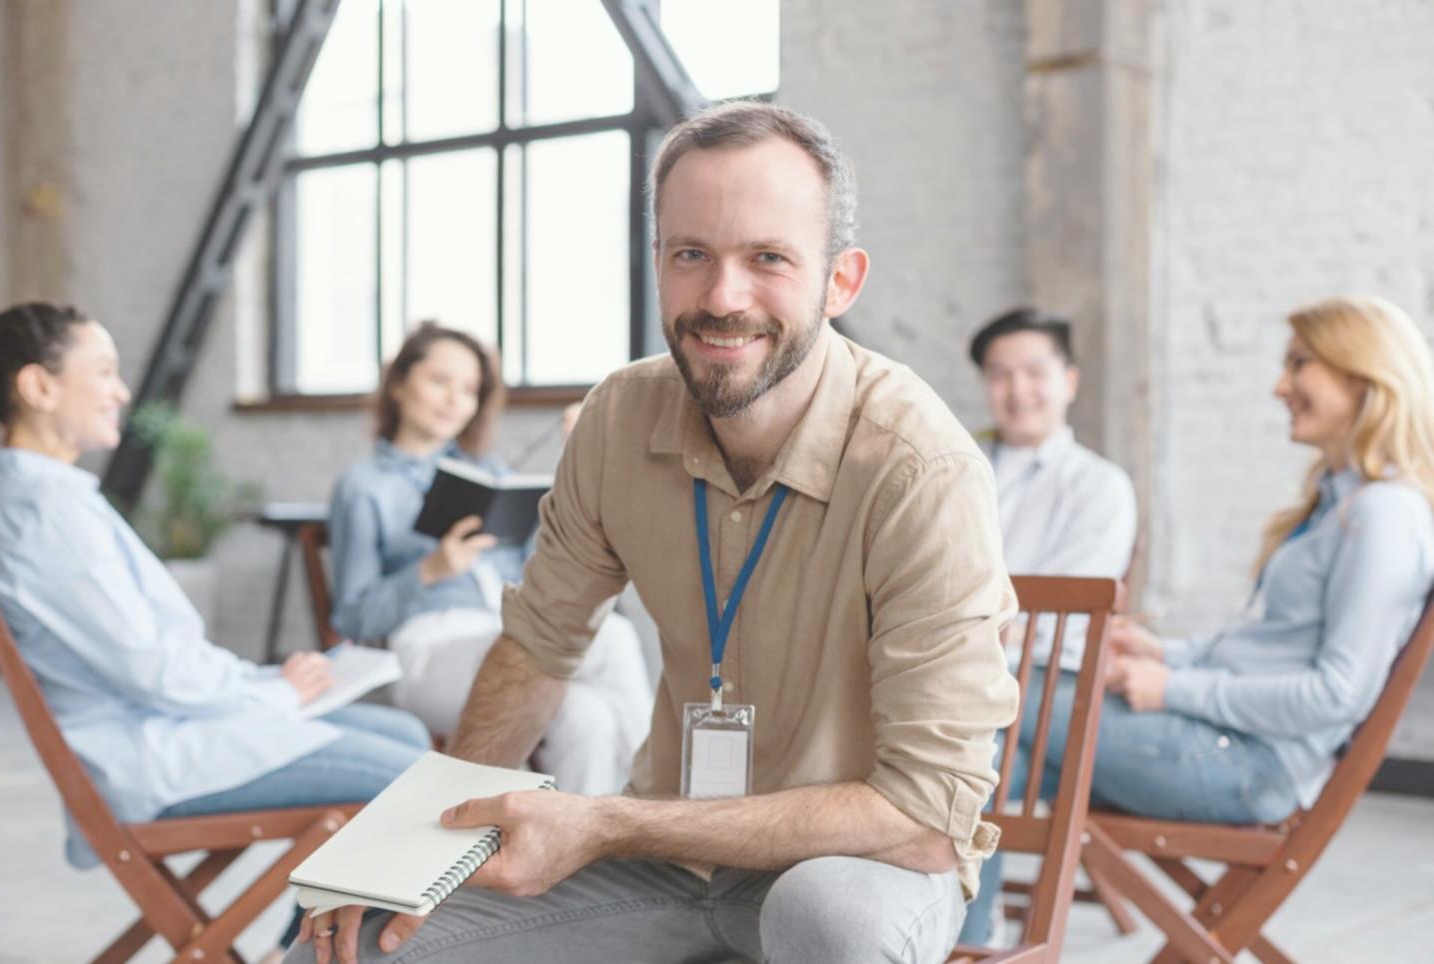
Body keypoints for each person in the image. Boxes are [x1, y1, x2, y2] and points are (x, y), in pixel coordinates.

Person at [292, 101, 1019, 964]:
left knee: (827, 920)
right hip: (673, 868)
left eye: (768, 259)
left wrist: (600, 822)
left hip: (858, 864)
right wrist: (406, 855)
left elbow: (927, 819)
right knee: (352, 949)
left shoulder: (919, 469)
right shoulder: (616, 419)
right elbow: (534, 650)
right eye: (691, 255)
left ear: (840, 281)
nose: (722, 297)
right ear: (656, 264)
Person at [0, 303, 430, 960]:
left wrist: (266, 682)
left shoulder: (50, 498)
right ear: (37, 386)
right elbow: (154, 670)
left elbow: (152, 656)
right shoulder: (42, 512)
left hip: (164, 731)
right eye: (103, 372)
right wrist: (276, 693)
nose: (121, 391)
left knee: (409, 737)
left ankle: (294, 951)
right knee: (416, 782)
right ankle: (306, 955)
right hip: (152, 758)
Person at [961, 294, 1434, 944]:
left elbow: (1335, 695)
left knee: (1001, 712)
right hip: (1228, 738)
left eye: (1299, 364)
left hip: (1250, 765)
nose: (1278, 385)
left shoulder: (1383, 515)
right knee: (982, 755)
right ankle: (966, 943)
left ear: (1361, 374)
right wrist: (1163, 654)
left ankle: (963, 943)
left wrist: (1169, 687)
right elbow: (1256, 648)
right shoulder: (1338, 502)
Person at [327, 321, 652, 795]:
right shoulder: (365, 486)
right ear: (398, 384)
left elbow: (545, 567)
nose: (453, 400)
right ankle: (658, 802)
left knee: (588, 716)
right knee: (613, 636)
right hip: (426, 654)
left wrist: (577, 462)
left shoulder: (490, 474)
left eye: (469, 389)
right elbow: (353, 618)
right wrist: (430, 570)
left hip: (507, 632)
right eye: (439, 381)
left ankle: (582, 859)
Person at [970, 307, 1137, 672]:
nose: (1018, 390)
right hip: (952, 664)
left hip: (1041, 672)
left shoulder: (1100, 486)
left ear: (1070, 382)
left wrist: (964, 634)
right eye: (1000, 375)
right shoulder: (956, 468)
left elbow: (1063, 615)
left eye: (1035, 372)